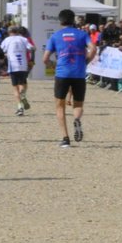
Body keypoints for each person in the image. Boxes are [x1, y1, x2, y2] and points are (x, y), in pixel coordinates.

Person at [46, 9, 91, 148]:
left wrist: (53, 66)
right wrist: (86, 61)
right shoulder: (82, 34)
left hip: (62, 73)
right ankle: (77, 119)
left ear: (60, 21)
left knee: (60, 106)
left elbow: (45, 58)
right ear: (73, 20)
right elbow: (94, 48)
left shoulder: (55, 36)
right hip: (78, 73)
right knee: (78, 104)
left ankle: (65, 138)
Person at [2, 25, 34, 115]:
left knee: (15, 88)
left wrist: (7, 54)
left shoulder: (7, 40)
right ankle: (23, 93)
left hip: (13, 66)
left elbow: (2, 50)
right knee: (23, 83)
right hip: (23, 65)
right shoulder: (23, 39)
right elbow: (32, 48)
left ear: (9, 32)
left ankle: (20, 107)